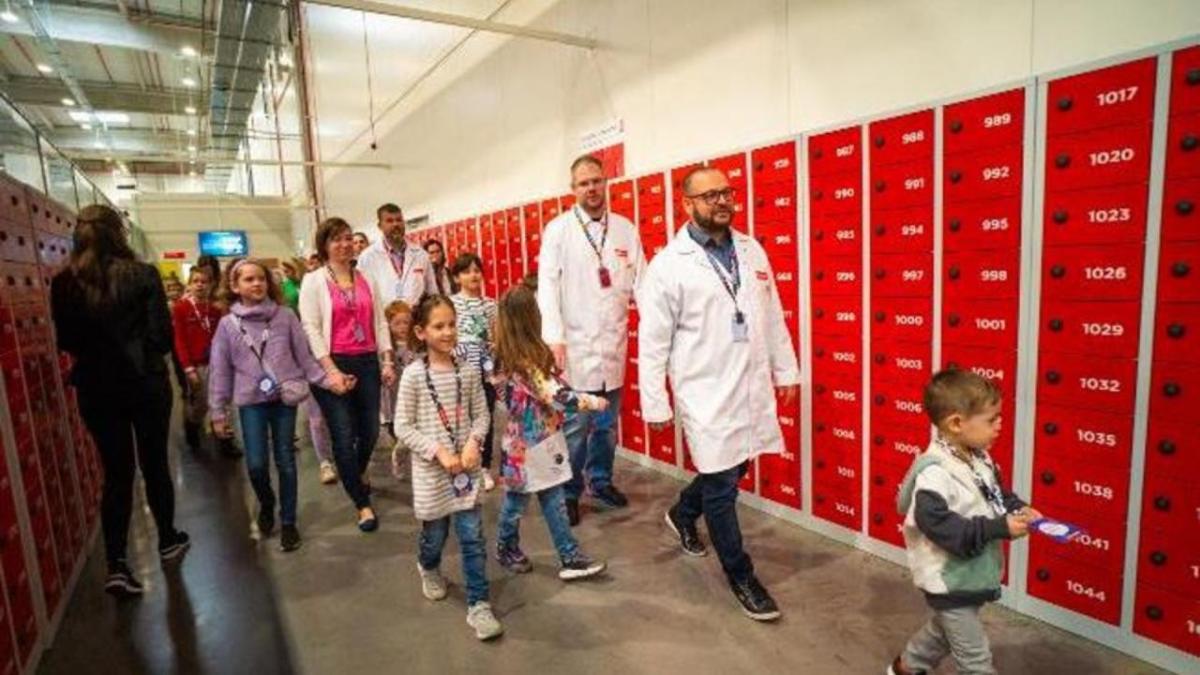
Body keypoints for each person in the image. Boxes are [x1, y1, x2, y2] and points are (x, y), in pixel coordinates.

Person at [638, 166, 799, 621]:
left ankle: (682, 513)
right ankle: (740, 573)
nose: (721, 202)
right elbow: (653, 341)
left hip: (748, 382)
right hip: (704, 390)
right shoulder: (669, 265)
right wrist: (655, 400)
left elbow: (772, 316)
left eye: (726, 192)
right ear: (686, 204)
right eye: (709, 196)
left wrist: (786, 371)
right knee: (724, 484)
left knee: (731, 468)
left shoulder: (751, 249)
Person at [50, 204, 190, 597]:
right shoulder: (143, 275)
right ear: (119, 234)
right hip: (144, 384)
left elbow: (67, 342)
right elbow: (162, 338)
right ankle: (167, 538)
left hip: (96, 387)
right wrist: (135, 353)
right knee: (154, 464)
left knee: (116, 473)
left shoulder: (64, 283)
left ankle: (117, 564)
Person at [888, 369, 1041, 675]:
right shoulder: (935, 474)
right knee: (975, 662)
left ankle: (906, 667)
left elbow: (996, 495)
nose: (1000, 425)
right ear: (956, 423)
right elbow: (942, 527)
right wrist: (999, 527)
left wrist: (1020, 508)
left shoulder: (979, 458)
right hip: (948, 580)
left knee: (943, 632)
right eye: (991, 419)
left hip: (970, 573)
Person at [536, 154, 646, 525]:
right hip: (575, 348)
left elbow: (641, 285)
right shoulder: (558, 230)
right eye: (584, 183)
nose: (592, 189)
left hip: (613, 344)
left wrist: (654, 330)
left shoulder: (626, 230)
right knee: (577, 428)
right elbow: (547, 288)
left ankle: (600, 481)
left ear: (606, 182)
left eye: (597, 181)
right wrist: (554, 337)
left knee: (607, 426)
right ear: (573, 189)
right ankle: (568, 492)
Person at [208, 259, 340, 553]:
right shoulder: (228, 325)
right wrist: (218, 411)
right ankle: (267, 502)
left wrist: (329, 380)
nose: (257, 284)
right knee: (255, 465)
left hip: (284, 399)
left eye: (261, 279)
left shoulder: (285, 317)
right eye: (249, 280)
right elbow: (220, 370)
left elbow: (305, 359)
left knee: (286, 461)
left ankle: (289, 521)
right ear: (234, 286)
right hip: (251, 404)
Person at [394, 296, 501, 641]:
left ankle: (479, 604)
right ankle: (428, 565)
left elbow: (482, 415)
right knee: (435, 535)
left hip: (465, 472)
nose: (448, 332)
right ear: (420, 332)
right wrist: (437, 451)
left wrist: (474, 442)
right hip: (432, 473)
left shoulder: (468, 372)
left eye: (452, 324)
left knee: (472, 537)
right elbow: (402, 426)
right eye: (439, 326)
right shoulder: (412, 376)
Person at [492, 287, 607, 581]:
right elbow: (557, 395)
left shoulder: (512, 356)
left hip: (538, 442)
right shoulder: (522, 362)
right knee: (516, 503)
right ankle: (507, 548)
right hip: (526, 448)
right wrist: (593, 401)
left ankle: (569, 556)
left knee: (551, 500)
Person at [299, 217, 396, 532]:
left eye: (347, 238)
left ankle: (357, 469)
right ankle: (362, 503)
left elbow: (380, 322)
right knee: (342, 433)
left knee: (369, 430)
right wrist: (330, 372)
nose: (344, 245)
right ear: (324, 245)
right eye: (335, 240)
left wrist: (387, 360)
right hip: (333, 362)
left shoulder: (366, 277)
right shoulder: (313, 281)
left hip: (367, 360)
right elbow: (310, 327)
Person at [172, 267, 236, 455]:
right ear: (189, 285)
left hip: (218, 362)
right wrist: (188, 368)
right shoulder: (181, 308)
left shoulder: (215, 309)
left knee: (223, 401)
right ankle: (192, 425)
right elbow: (180, 340)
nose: (200, 285)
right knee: (201, 403)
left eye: (204, 281)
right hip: (197, 364)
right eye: (195, 281)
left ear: (211, 285)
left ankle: (225, 441)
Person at [450, 252, 498, 490]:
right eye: (467, 271)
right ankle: (463, 463)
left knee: (486, 416)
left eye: (477, 270)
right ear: (457, 277)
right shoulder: (451, 303)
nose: (474, 275)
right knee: (462, 418)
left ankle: (484, 467)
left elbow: (495, 335)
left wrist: (493, 347)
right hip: (459, 371)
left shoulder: (490, 304)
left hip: (485, 370)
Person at [356, 203, 438, 309]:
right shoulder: (367, 257)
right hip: (384, 319)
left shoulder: (420, 254)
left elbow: (432, 292)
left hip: (416, 316)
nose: (395, 224)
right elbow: (361, 296)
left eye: (399, 220)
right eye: (389, 221)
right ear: (380, 226)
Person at [382, 299, 416, 479]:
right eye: (397, 323)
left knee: (409, 434)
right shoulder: (387, 349)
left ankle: (403, 453)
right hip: (393, 397)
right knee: (397, 432)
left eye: (406, 322)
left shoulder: (416, 345)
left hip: (411, 397)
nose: (403, 327)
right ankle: (398, 455)